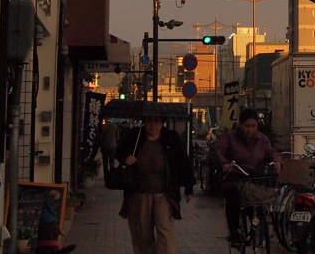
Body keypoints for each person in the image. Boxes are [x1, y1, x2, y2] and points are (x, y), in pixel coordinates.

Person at [116, 115, 194, 254]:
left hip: (164, 193)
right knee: (142, 234)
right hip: (139, 193)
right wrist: (126, 158)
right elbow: (119, 152)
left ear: (162, 123)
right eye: (149, 121)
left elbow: (183, 161)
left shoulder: (171, 137)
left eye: (157, 122)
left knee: (165, 231)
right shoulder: (135, 135)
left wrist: (189, 187)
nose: (153, 125)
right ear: (144, 122)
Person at [211, 108, 280, 244]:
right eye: (247, 126)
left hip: (254, 178)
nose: (250, 130)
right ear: (240, 124)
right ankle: (234, 231)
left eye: (253, 126)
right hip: (235, 177)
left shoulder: (262, 138)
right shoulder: (229, 137)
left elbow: (271, 152)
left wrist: (277, 161)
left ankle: (257, 225)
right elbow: (217, 151)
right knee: (233, 199)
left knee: (259, 200)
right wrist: (224, 164)